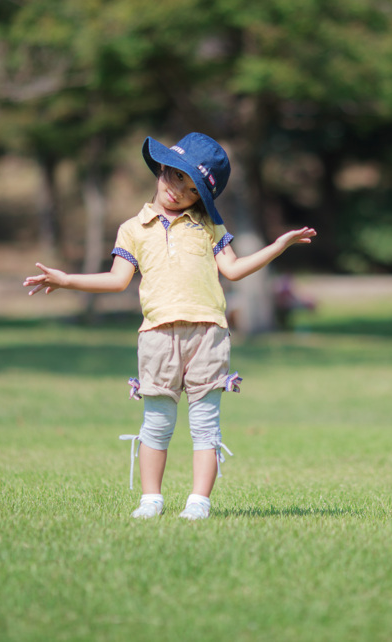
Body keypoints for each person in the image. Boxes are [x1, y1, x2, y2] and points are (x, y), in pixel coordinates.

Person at [23, 132, 315, 521]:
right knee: (157, 423)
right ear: (163, 169)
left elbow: (233, 269)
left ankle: (199, 502)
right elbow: (116, 280)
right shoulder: (133, 228)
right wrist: (66, 280)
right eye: (177, 178)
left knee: (205, 425)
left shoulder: (208, 226)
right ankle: (151, 499)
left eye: (193, 190)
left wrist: (278, 246)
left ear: (201, 198)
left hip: (208, 334)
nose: (179, 191)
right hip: (157, 336)